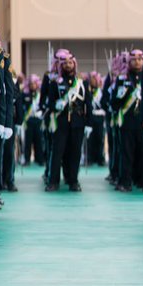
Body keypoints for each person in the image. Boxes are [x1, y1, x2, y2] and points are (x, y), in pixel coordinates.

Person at [42, 49, 88, 192]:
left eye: (70, 63)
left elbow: (88, 104)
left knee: (75, 153)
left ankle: (73, 181)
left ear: (74, 64)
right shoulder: (55, 82)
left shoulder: (81, 82)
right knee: (57, 153)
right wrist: (55, 105)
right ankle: (53, 182)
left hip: (77, 122)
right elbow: (49, 102)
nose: (68, 65)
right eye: (65, 63)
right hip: (60, 122)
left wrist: (89, 123)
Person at [109, 49, 143, 194]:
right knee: (126, 153)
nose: (137, 62)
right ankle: (124, 182)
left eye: (140, 59)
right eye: (134, 59)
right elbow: (113, 102)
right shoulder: (121, 79)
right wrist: (122, 95)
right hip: (127, 122)